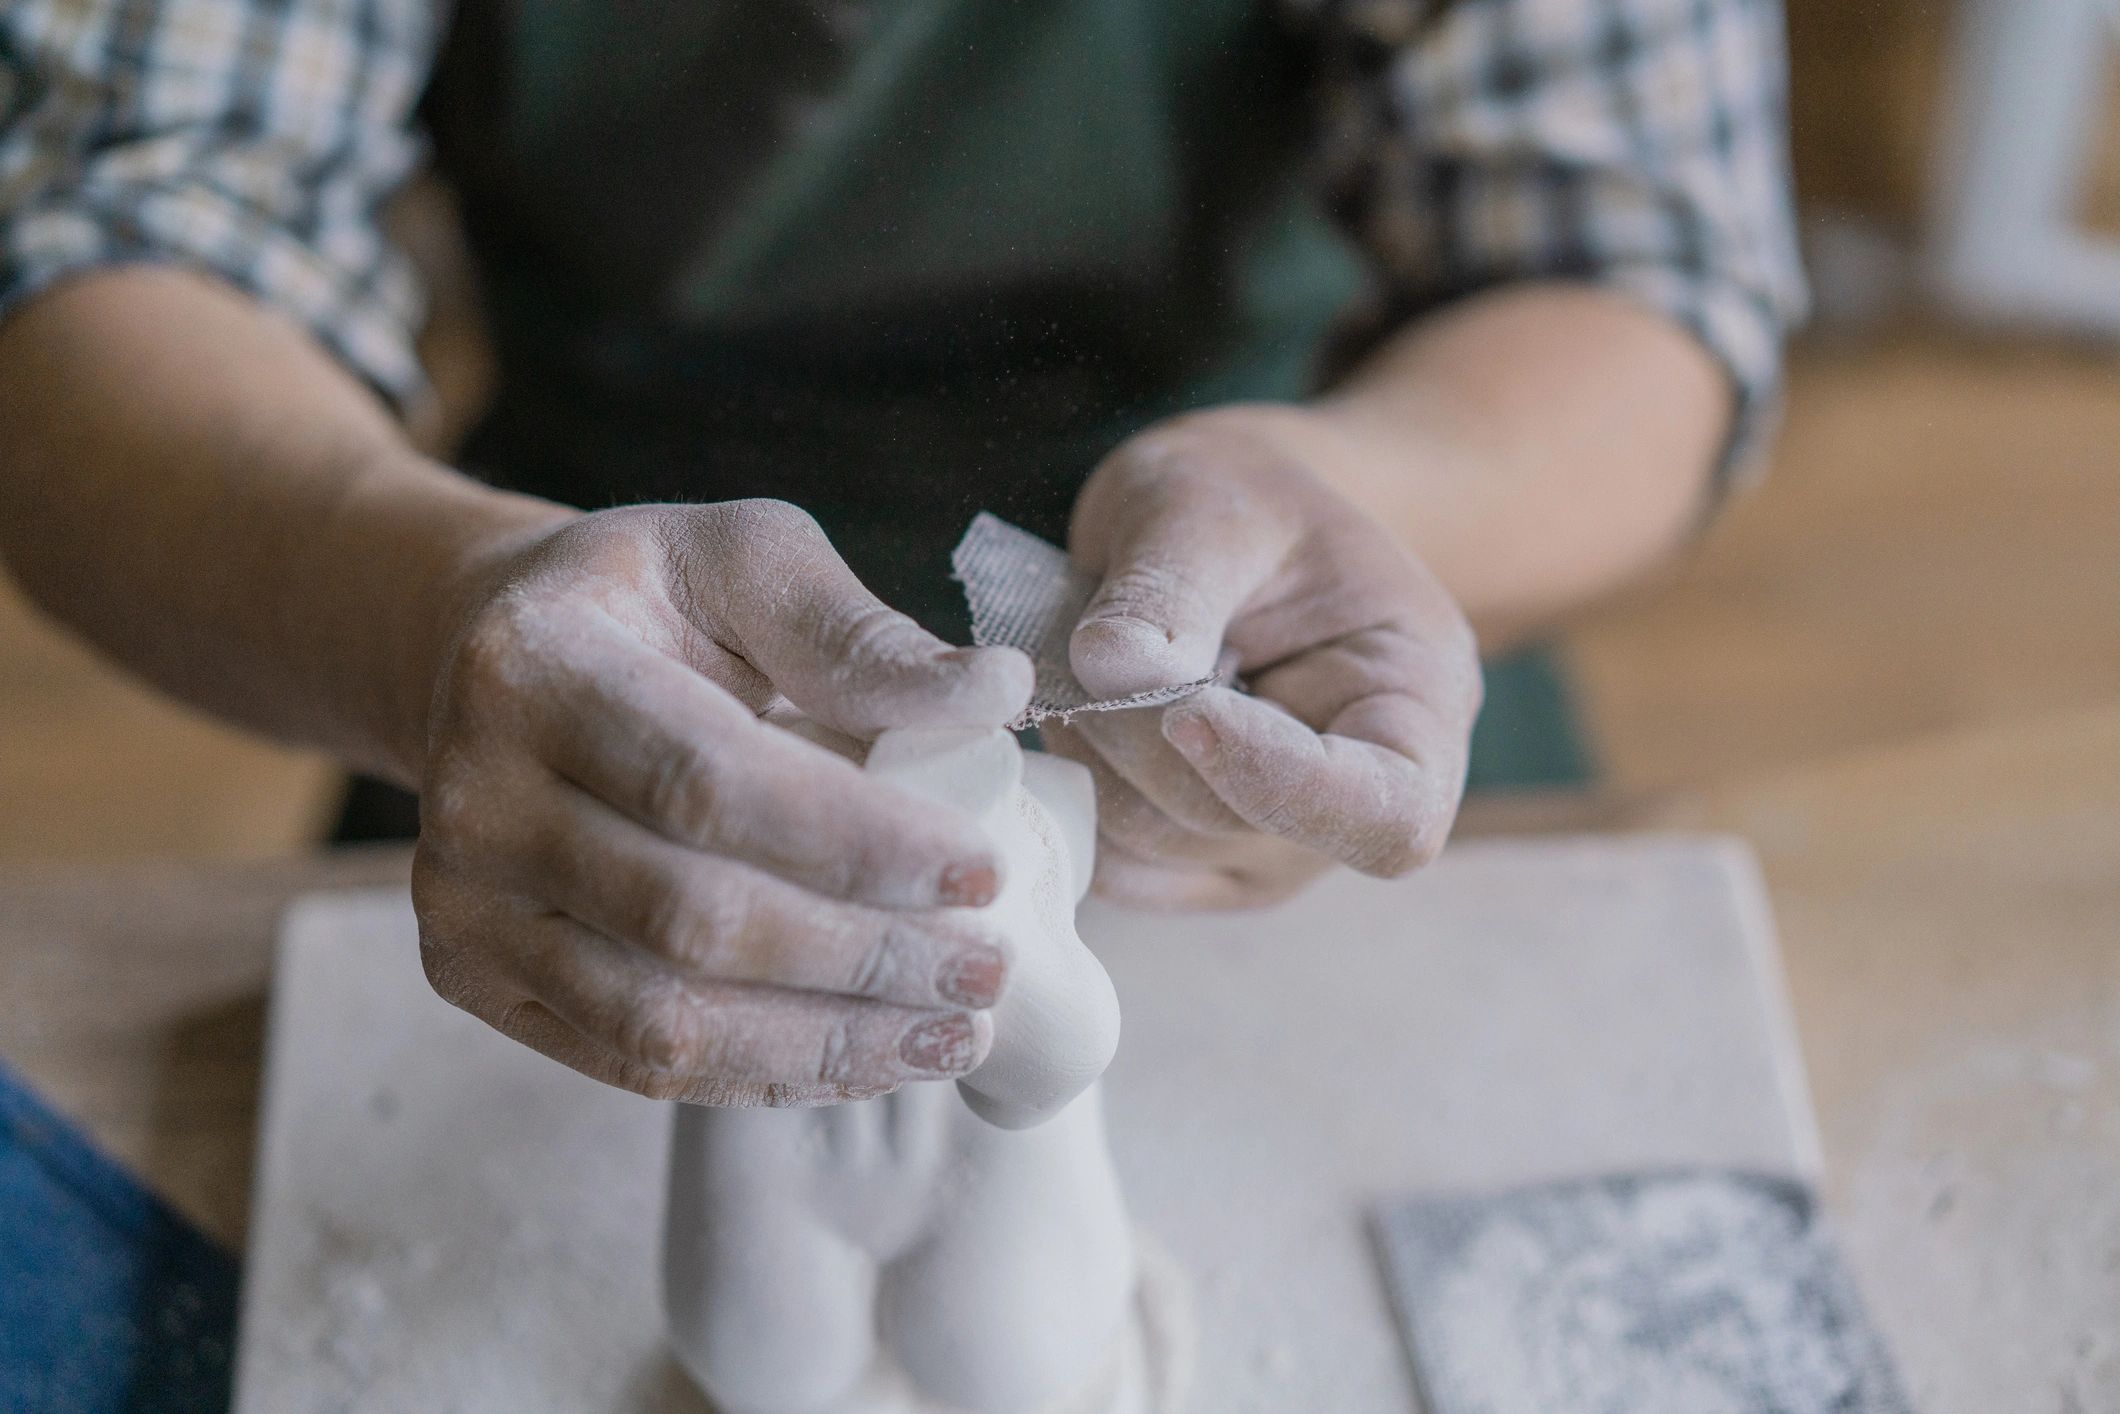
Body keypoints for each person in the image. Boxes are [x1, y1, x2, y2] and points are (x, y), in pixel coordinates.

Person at [0, 0, 1804, 1108]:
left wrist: (1356, 490)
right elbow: (110, 232)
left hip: (1290, 599)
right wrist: (427, 617)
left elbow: (1637, 259)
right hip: (562, 623)